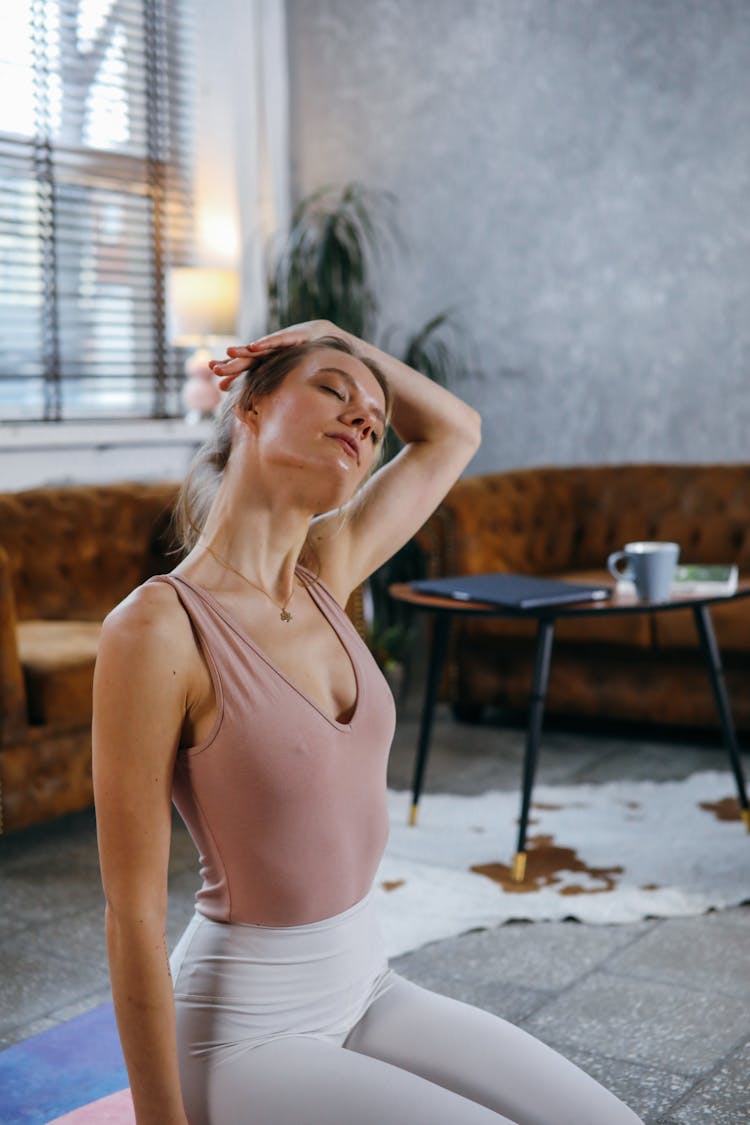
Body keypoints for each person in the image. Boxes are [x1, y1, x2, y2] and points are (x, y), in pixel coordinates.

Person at [93, 320, 643, 1125]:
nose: (362, 418)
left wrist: (334, 338)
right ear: (248, 405)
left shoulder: (329, 567)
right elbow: (132, 912)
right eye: (330, 389)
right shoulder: (157, 628)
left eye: (374, 419)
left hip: (368, 984)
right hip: (242, 1031)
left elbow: (456, 431)